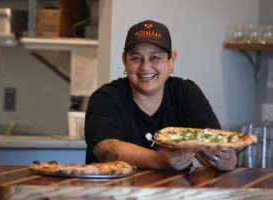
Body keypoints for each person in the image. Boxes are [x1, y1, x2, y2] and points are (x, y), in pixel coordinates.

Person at [84, 20, 237, 171]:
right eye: (136, 58)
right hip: (114, 193)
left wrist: (225, 160)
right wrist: (157, 160)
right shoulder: (105, 97)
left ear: (172, 60)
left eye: (155, 58)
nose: (145, 67)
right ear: (124, 60)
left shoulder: (186, 93)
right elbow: (105, 149)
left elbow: (217, 146)